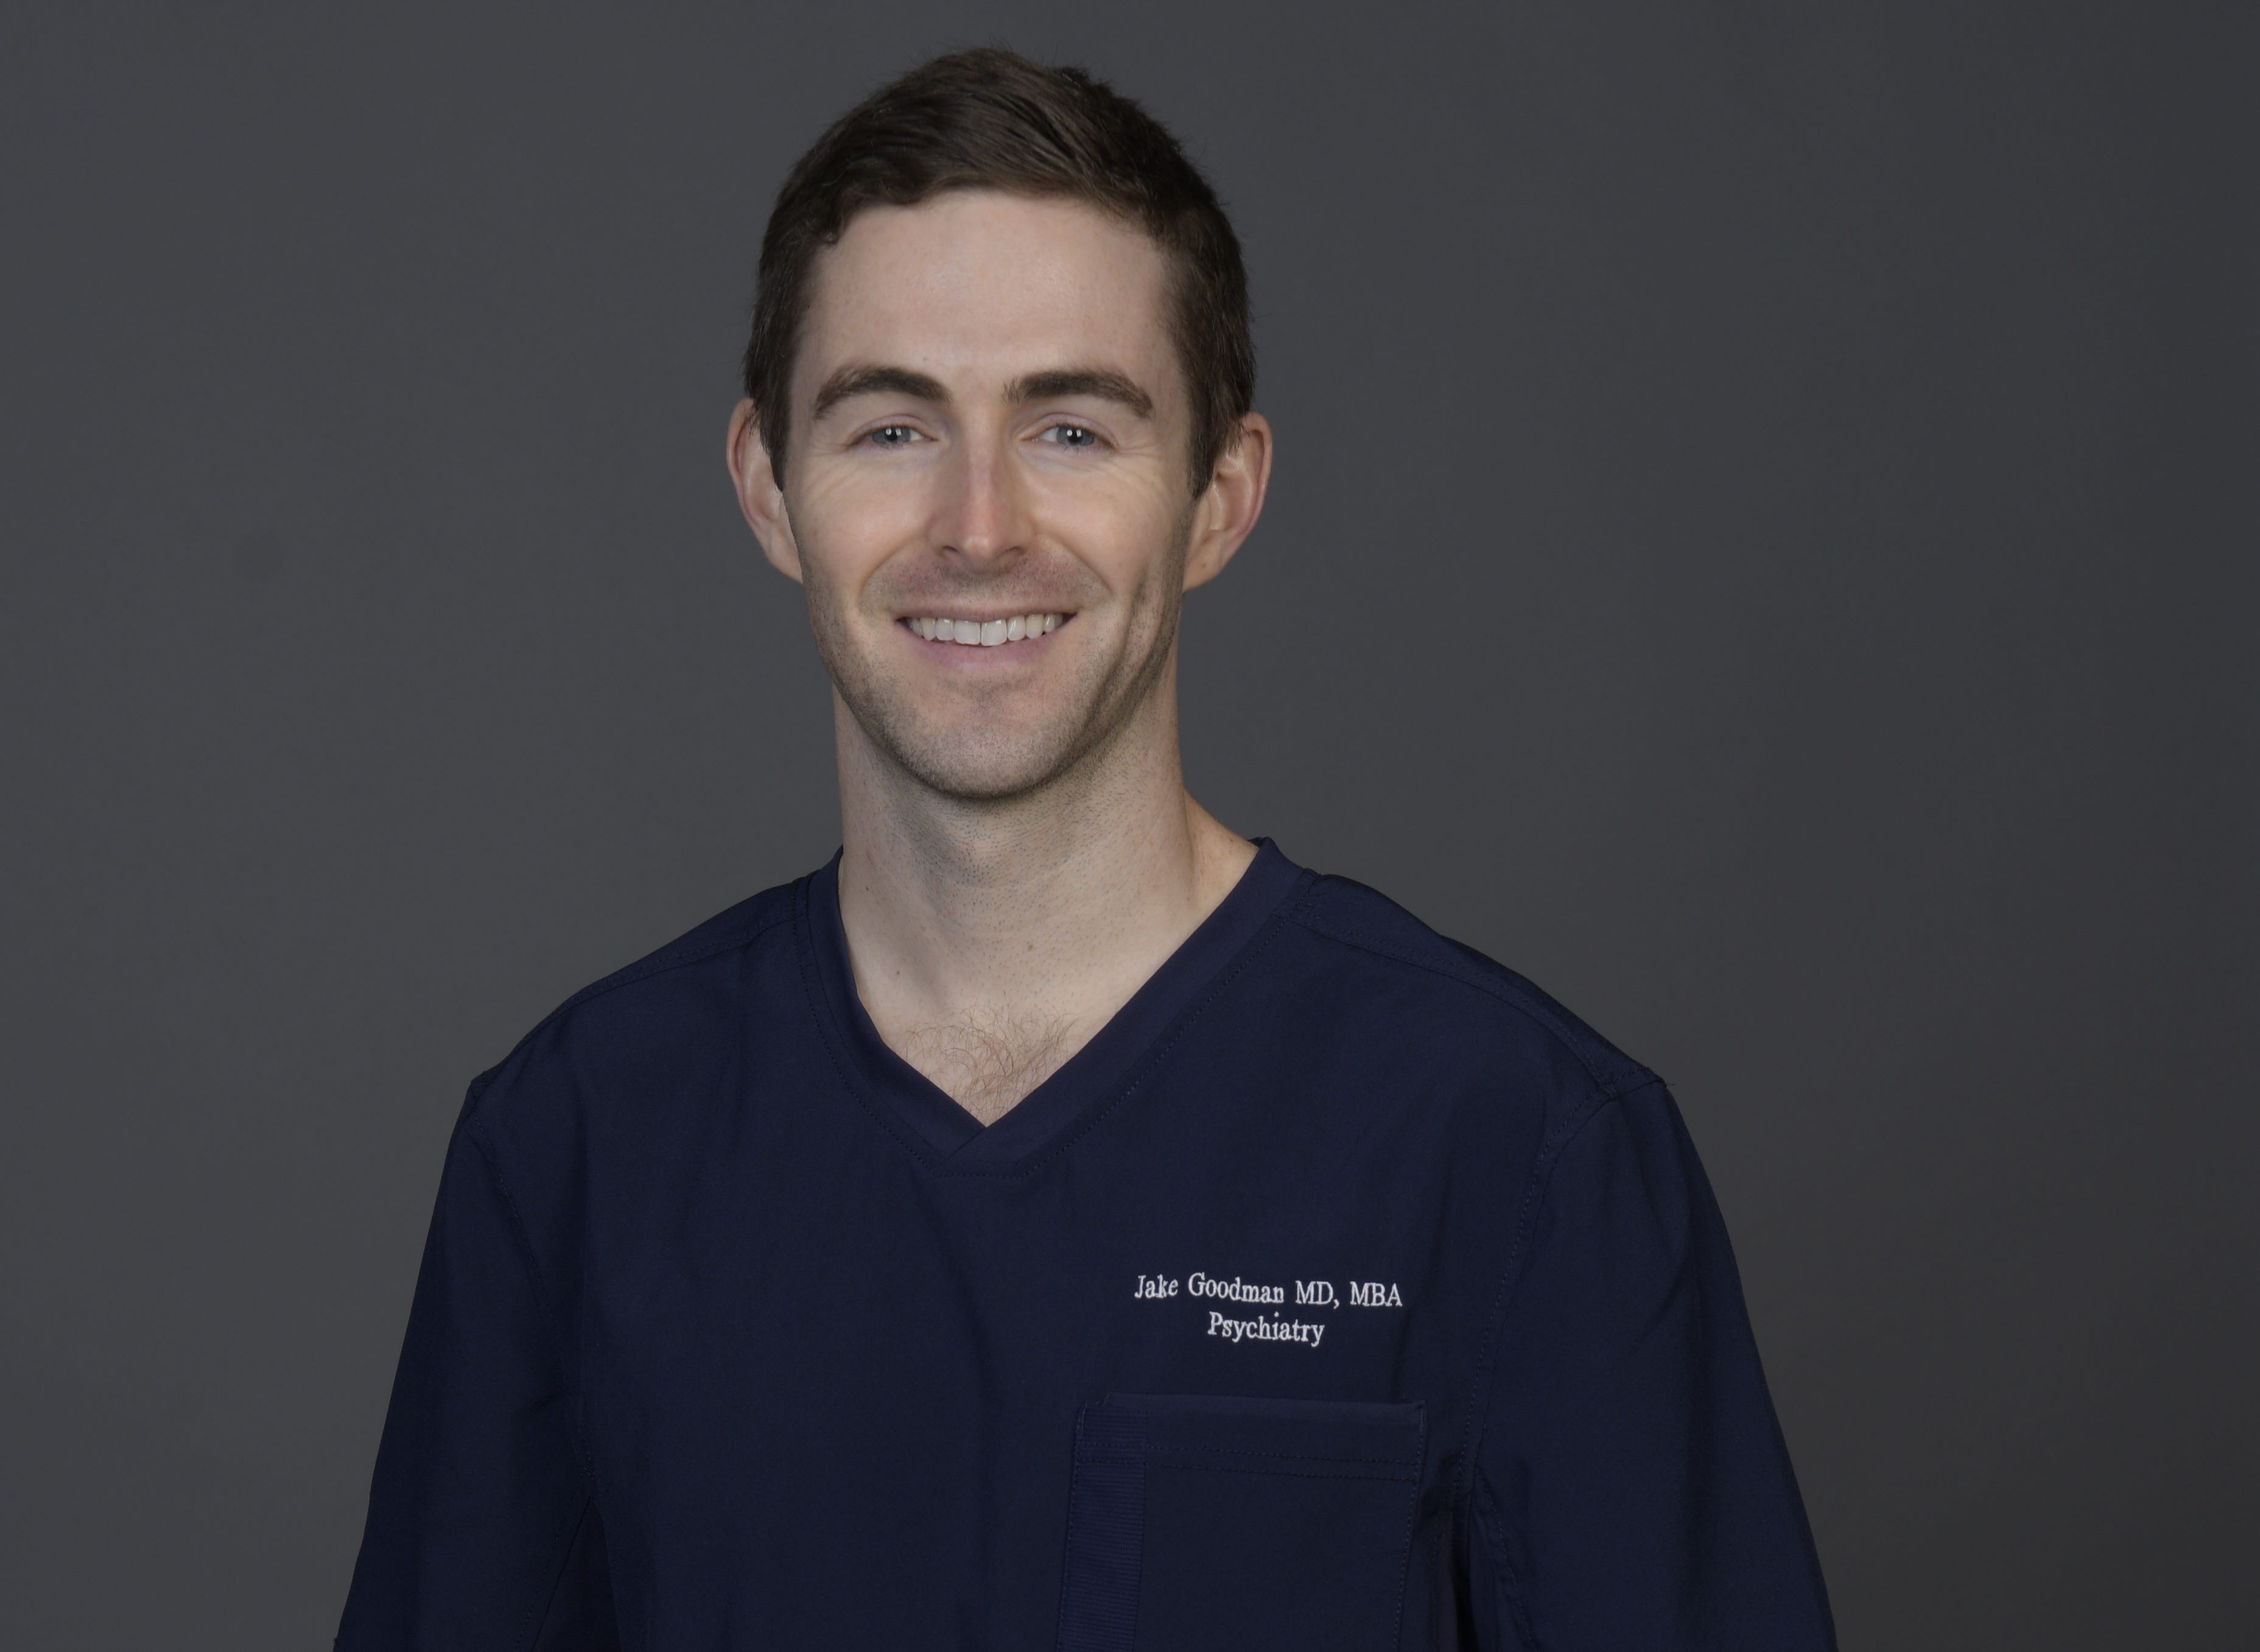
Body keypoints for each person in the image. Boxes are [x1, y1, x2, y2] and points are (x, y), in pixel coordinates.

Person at [336, 47, 1836, 1652]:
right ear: (769, 489)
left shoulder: (1520, 1149)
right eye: (891, 428)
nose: (980, 526)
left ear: (1220, 496)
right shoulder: (575, 1148)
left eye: (1069, 428)